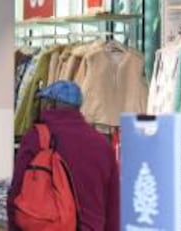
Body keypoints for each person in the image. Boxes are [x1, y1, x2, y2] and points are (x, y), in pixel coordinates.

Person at [7, 80, 119, 231]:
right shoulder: (102, 144)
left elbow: (17, 190)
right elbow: (113, 204)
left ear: (49, 105)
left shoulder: (36, 137)